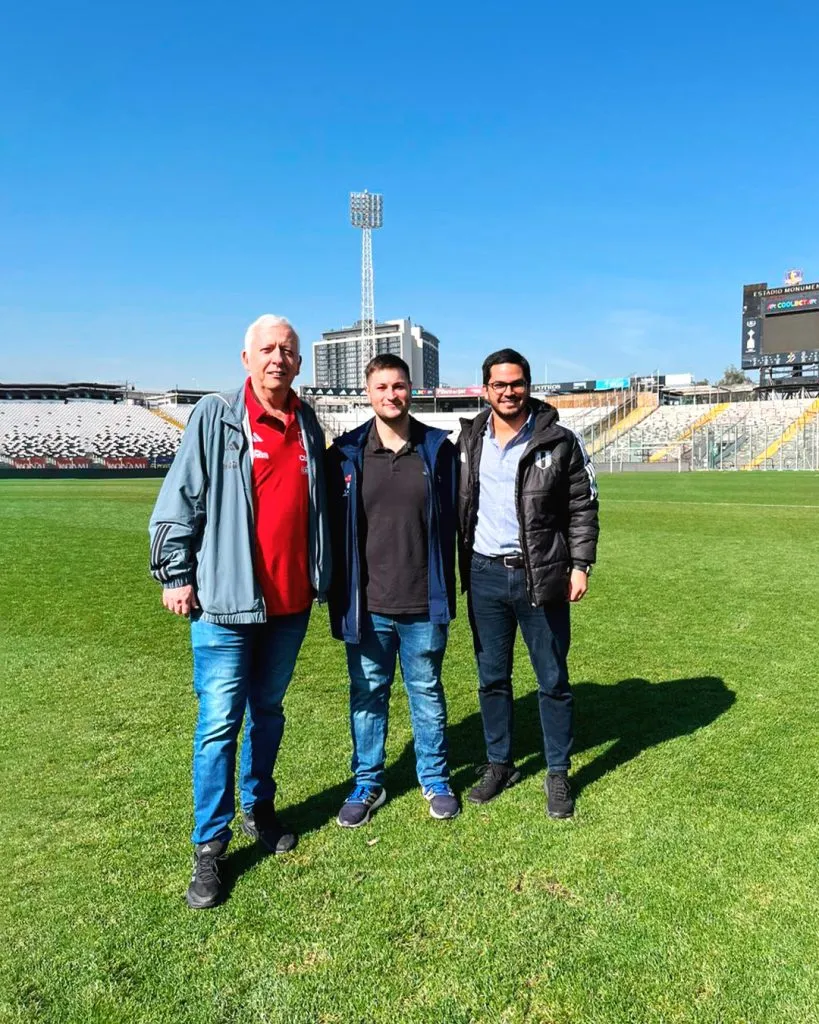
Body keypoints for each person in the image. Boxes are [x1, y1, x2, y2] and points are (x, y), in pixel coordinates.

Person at [149, 314, 331, 909]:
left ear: (299, 363)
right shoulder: (216, 415)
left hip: (289, 605)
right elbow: (181, 496)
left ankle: (261, 809)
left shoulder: (308, 423)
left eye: (288, 350)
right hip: (225, 605)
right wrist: (176, 574)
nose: (278, 357)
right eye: (267, 349)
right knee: (219, 726)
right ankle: (209, 849)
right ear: (246, 357)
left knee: (270, 712)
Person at [457, 348, 599, 817]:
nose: (508, 391)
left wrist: (580, 565)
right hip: (483, 575)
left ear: (528, 384)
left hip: (541, 575)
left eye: (516, 383)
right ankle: (500, 763)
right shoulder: (468, 439)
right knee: (492, 679)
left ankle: (558, 772)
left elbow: (582, 507)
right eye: (499, 384)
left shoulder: (558, 440)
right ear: (486, 389)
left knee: (553, 679)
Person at [326, 354, 460, 826]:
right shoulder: (346, 453)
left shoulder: (439, 450)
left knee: (425, 691)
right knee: (367, 695)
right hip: (368, 604)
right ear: (369, 392)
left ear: (411, 390)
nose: (391, 395)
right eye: (382, 387)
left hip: (425, 600)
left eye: (399, 386)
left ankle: (435, 777)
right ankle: (367, 781)